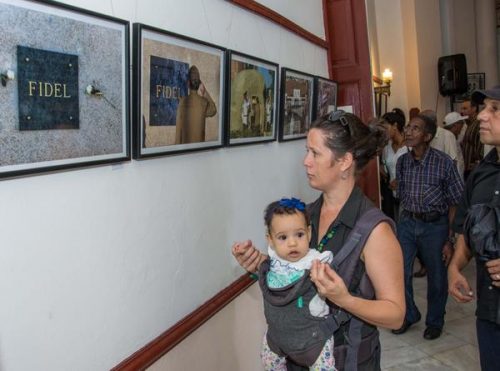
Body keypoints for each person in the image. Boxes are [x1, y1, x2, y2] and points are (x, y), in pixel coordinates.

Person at [232, 110, 405, 371]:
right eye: (307, 151)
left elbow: (395, 314)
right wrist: (259, 264)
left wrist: (345, 299)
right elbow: (296, 273)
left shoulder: (375, 230)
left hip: (349, 361)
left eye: (315, 153)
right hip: (298, 356)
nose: (306, 161)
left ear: (345, 161)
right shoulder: (307, 215)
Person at [392, 114, 464, 340]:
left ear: (428, 136)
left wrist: (449, 239)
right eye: (408, 127)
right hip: (407, 222)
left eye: (416, 128)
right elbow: (401, 194)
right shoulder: (403, 161)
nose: (409, 132)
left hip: (435, 226)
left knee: (437, 276)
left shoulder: (444, 162)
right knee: (399, 272)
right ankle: (409, 314)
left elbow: (455, 202)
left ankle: (434, 321)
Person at [448, 86, 500, 371]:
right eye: (483, 108)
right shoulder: (480, 174)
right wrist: (455, 267)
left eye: (494, 108)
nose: (482, 116)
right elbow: (467, 231)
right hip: (490, 314)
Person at [258, 197, 335, 370]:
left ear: (309, 233)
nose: (292, 243)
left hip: (313, 340)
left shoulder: (316, 261)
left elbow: (331, 286)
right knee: (268, 360)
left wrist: (324, 279)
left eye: (299, 235)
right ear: (270, 240)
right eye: (282, 237)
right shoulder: (273, 258)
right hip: (277, 339)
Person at [175, 65, 217, 144]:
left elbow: (178, 132)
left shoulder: (182, 102)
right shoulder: (203, 102)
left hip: (184, 150)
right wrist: (204, 91)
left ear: (188, 83)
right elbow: (213, 110)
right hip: (198, 151)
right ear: (199, 84)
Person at [381, 110, 408, 221]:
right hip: (393, 195)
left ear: (395, 126)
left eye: (386, 128)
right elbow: (385, 166)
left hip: (408, 195)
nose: (384, 132)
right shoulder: (387, 148)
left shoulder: (409, 146)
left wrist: (400, 180)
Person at [460, 98, 484, 179]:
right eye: (462, 108)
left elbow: (482, 144)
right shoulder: (469, 124)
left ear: (474, 109)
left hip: (474, 168)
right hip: (467, 167)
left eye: (465, 108)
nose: (462, 111)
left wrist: (478, 162)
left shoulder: (478, 123)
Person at [443, 111, 468, 178]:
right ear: (455, 125)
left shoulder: (449, 136)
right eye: (461, 123)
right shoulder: (449, 137)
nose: (463, 126)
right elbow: (455, 162)